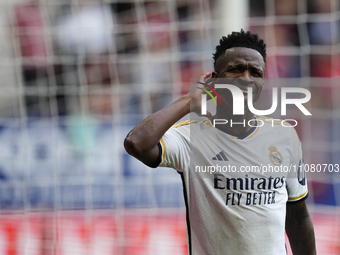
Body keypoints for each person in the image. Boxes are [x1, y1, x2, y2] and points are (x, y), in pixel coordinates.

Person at [124, 30, 316, 255]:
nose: (246, 78)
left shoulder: (284, 136)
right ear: (214, 79)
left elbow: (297, 215)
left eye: (255, 72)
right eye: (235, 69)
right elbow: (136, 143)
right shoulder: (189, 137)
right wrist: (189, 101)